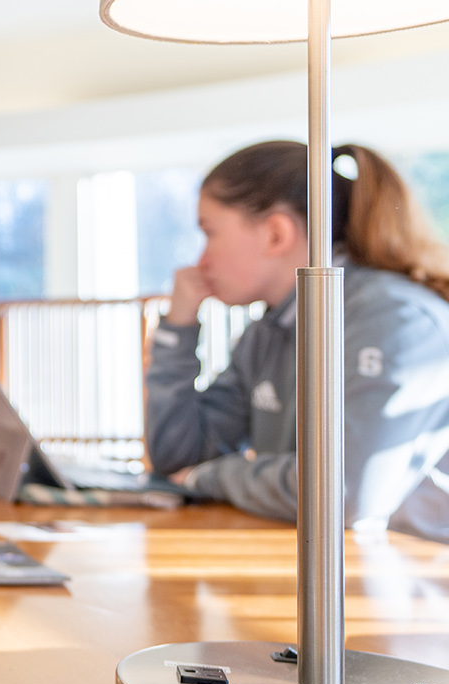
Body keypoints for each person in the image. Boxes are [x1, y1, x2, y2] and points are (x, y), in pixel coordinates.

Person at [148, 141, 449, 540]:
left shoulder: (394, 318)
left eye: (209, 233)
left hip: (418, 577)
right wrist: (178, 327)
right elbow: (178, 457)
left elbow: (345, 493)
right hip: (320, 564)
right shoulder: (267, 332)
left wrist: (211, 477)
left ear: (275, 234)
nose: (201, 260)